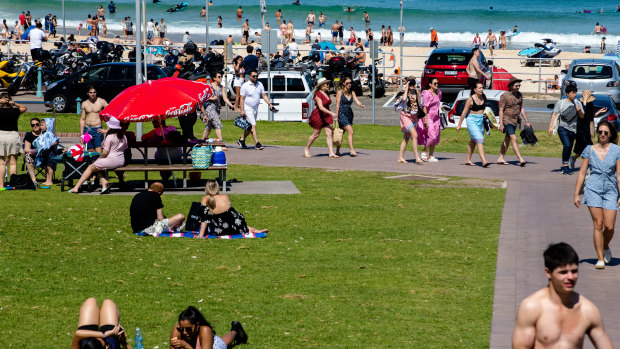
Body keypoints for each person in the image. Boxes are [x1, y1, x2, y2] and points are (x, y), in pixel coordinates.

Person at [512, 242, 613, 347]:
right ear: (548, 273)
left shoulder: (587, 310)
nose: (570, 277)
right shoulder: (532, 308)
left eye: (574, 271)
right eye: (563, 272)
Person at [574, 120, 620, 269]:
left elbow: (619, 175)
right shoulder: (589, 149)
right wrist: (576, 194)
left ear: (610, 134)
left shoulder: (616, 150)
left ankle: (605, 245)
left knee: (610, 226)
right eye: (600, 132)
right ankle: (600, 258)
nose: (602, 135)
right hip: (593, 189)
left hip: (611, 190)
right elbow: (581, 173)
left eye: (605, 133)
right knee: (598, 224)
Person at [69, 117, 127, 194]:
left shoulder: (110, 137)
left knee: (91, 167)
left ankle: (76, 187)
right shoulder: (123, 136)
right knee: (98, 166)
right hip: (121, 161)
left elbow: (105, 153)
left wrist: (99, 158)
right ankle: (104, 182)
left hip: (112, 160)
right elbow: (125, 148)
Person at [198, 180, 269, 238]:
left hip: (219, 230)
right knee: (233, 219)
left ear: (207, 188)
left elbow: (204, 219)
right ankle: (252, 229)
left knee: (216, 220)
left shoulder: (204, 199)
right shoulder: (225, 196)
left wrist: (200, 235)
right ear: (217, 188)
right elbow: (232, 214)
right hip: (235, 227)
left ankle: (251, 229)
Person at [170, 306, 247, 349]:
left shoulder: (205, 330)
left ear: (197, 325)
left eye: (188, 329)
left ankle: (235, 330)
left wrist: (185, 345)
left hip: (215, 347)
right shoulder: (177, 329)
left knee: (224, 343)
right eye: (181, 328)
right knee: (223, 340)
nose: (184, 332)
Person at [549, 85, 584, 175]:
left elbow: (582, 116)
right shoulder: (561, 103)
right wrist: (551, 127)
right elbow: (554, 114)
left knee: (569, 147)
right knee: (567, 145)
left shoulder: (578, 103)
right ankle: (564, 166)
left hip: (573, 129)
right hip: (562, 127)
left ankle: (565, 165)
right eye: (572, 93)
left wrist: (579, 111)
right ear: (567, 93)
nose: (574, 94)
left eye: (575, 92)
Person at [238, 70, 275, 150]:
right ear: (249, 77)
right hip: (248, 108)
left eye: (256, 76)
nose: (255, 77)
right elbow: (242, 99)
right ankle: (257, 143)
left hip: (255, 108)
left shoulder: (260, 84)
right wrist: (242, 110)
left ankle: (241, 140)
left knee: (249, 127)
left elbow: (264, 95)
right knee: (253, 125)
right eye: (254, 76)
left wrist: (270, 104)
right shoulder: (245, 85)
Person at [456, 82, 491, 167]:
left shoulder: (484, 97)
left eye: (482, 87)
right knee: (480, 138)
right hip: (472, 120)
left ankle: (468, 160)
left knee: (473, 141)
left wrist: (487, 118)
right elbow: (464, 112)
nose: (481, 89)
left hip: (481, 121)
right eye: (479, 88)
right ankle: (484, 161)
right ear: (475, 89)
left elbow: (485, 110)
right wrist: (459, 124)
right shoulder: (470, 99)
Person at [498, 77, 530, 166]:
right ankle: (520, 159)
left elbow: (521, 108)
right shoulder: (505, 95)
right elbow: (501, 109)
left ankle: (500, 158)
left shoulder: (519, 95)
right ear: (511, 86)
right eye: (516, 85)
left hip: (515, 120)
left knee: (507, 139)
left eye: (519, 85)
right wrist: (501, 124)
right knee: (513, 138)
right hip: (506, 120)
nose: (518, 87)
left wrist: (526, 120)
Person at [571, 91, 607, 170]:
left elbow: (590, 116)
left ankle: (574, 158)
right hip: (581, 128)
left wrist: (599, 112)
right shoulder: (579, 104)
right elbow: (582, 114)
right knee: (587, 146)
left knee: (584, 147)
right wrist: (584, 100)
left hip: (587, 127)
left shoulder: (590, 105)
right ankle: (590, 165)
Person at [304, 78, 338, 158]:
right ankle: (307, 148)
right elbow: (321, 107)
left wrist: (332, 115)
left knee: (329, 133)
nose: (328, 85)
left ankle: (331, 152)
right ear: (322, 86)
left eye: (328, 84)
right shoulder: (318, 94)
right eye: (326, 84)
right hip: (318, 115)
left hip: (326, 115)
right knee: (316, 135)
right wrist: (332, 113)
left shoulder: (327, 93)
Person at [334, 76, 366, 157]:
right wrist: (336, 116)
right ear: (344, 83)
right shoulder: (340, 91)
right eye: (347, 83)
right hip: (341, 113)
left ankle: (337, 150)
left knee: (341, 132)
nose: (349, 84)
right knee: (350, 131)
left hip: (349, 114)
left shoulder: (352, 92)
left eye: (350, 83)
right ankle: (352, 151)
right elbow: (337, 104)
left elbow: (356, 100)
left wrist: (361, 105)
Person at [0, 93, 27, 188]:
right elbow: (24, 107)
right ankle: (13, 184)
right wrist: (15, 103)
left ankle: (0, 185)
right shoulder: (14, 111)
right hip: (13, 135)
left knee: (2, 163)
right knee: (13, 162)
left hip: (1, 135)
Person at [395, 78, 424, 164]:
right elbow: (404, 99)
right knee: (414, 135)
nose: (412, 86)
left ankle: (400, 157)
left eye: (413, 84)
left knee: (406, 137)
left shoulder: (416, 92)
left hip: (414, 116)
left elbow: (418, 104)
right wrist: (406, 87)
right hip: (405, 116)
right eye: (411, 84)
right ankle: (417, 157)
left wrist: (419, 114)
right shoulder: (403, 92)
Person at [202, 71, 234, 140]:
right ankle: (221, 142)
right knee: (218, 124)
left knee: (209, 126)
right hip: (210, 108)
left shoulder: (221, 87)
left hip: (217, 109)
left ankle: (202, 141)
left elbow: (225, 98)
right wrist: (211, 98)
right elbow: (203, 97)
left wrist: (231, 105)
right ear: (214, 78)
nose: (221, 78)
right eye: (219, 77)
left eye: (221, 77)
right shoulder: (209, 86)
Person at [417, 78, 442, 162]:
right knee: (432, 135)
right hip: (429, 117)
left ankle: (431, 155)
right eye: (435, 83)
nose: (437, 85)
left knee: (436, 136)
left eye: (438, 83)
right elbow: (424, 107)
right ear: (430, 84)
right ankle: (424, 150)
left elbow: (438, 103)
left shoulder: (438, 92)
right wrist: (425, 120)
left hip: (436, 118)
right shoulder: (427, 93)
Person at [80, 86, 108, 153]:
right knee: (89, 150)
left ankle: (99, 163)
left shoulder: (101, 101)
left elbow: (110, 114)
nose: (93, 94)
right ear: (88, 93)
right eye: (91, 92)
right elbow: (82, 119)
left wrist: (107, 129)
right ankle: (91, 163)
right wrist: (81, 135)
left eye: (94, 92)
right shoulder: (84, 103)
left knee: (98, 150)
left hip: (97, 129)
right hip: (87, 130)